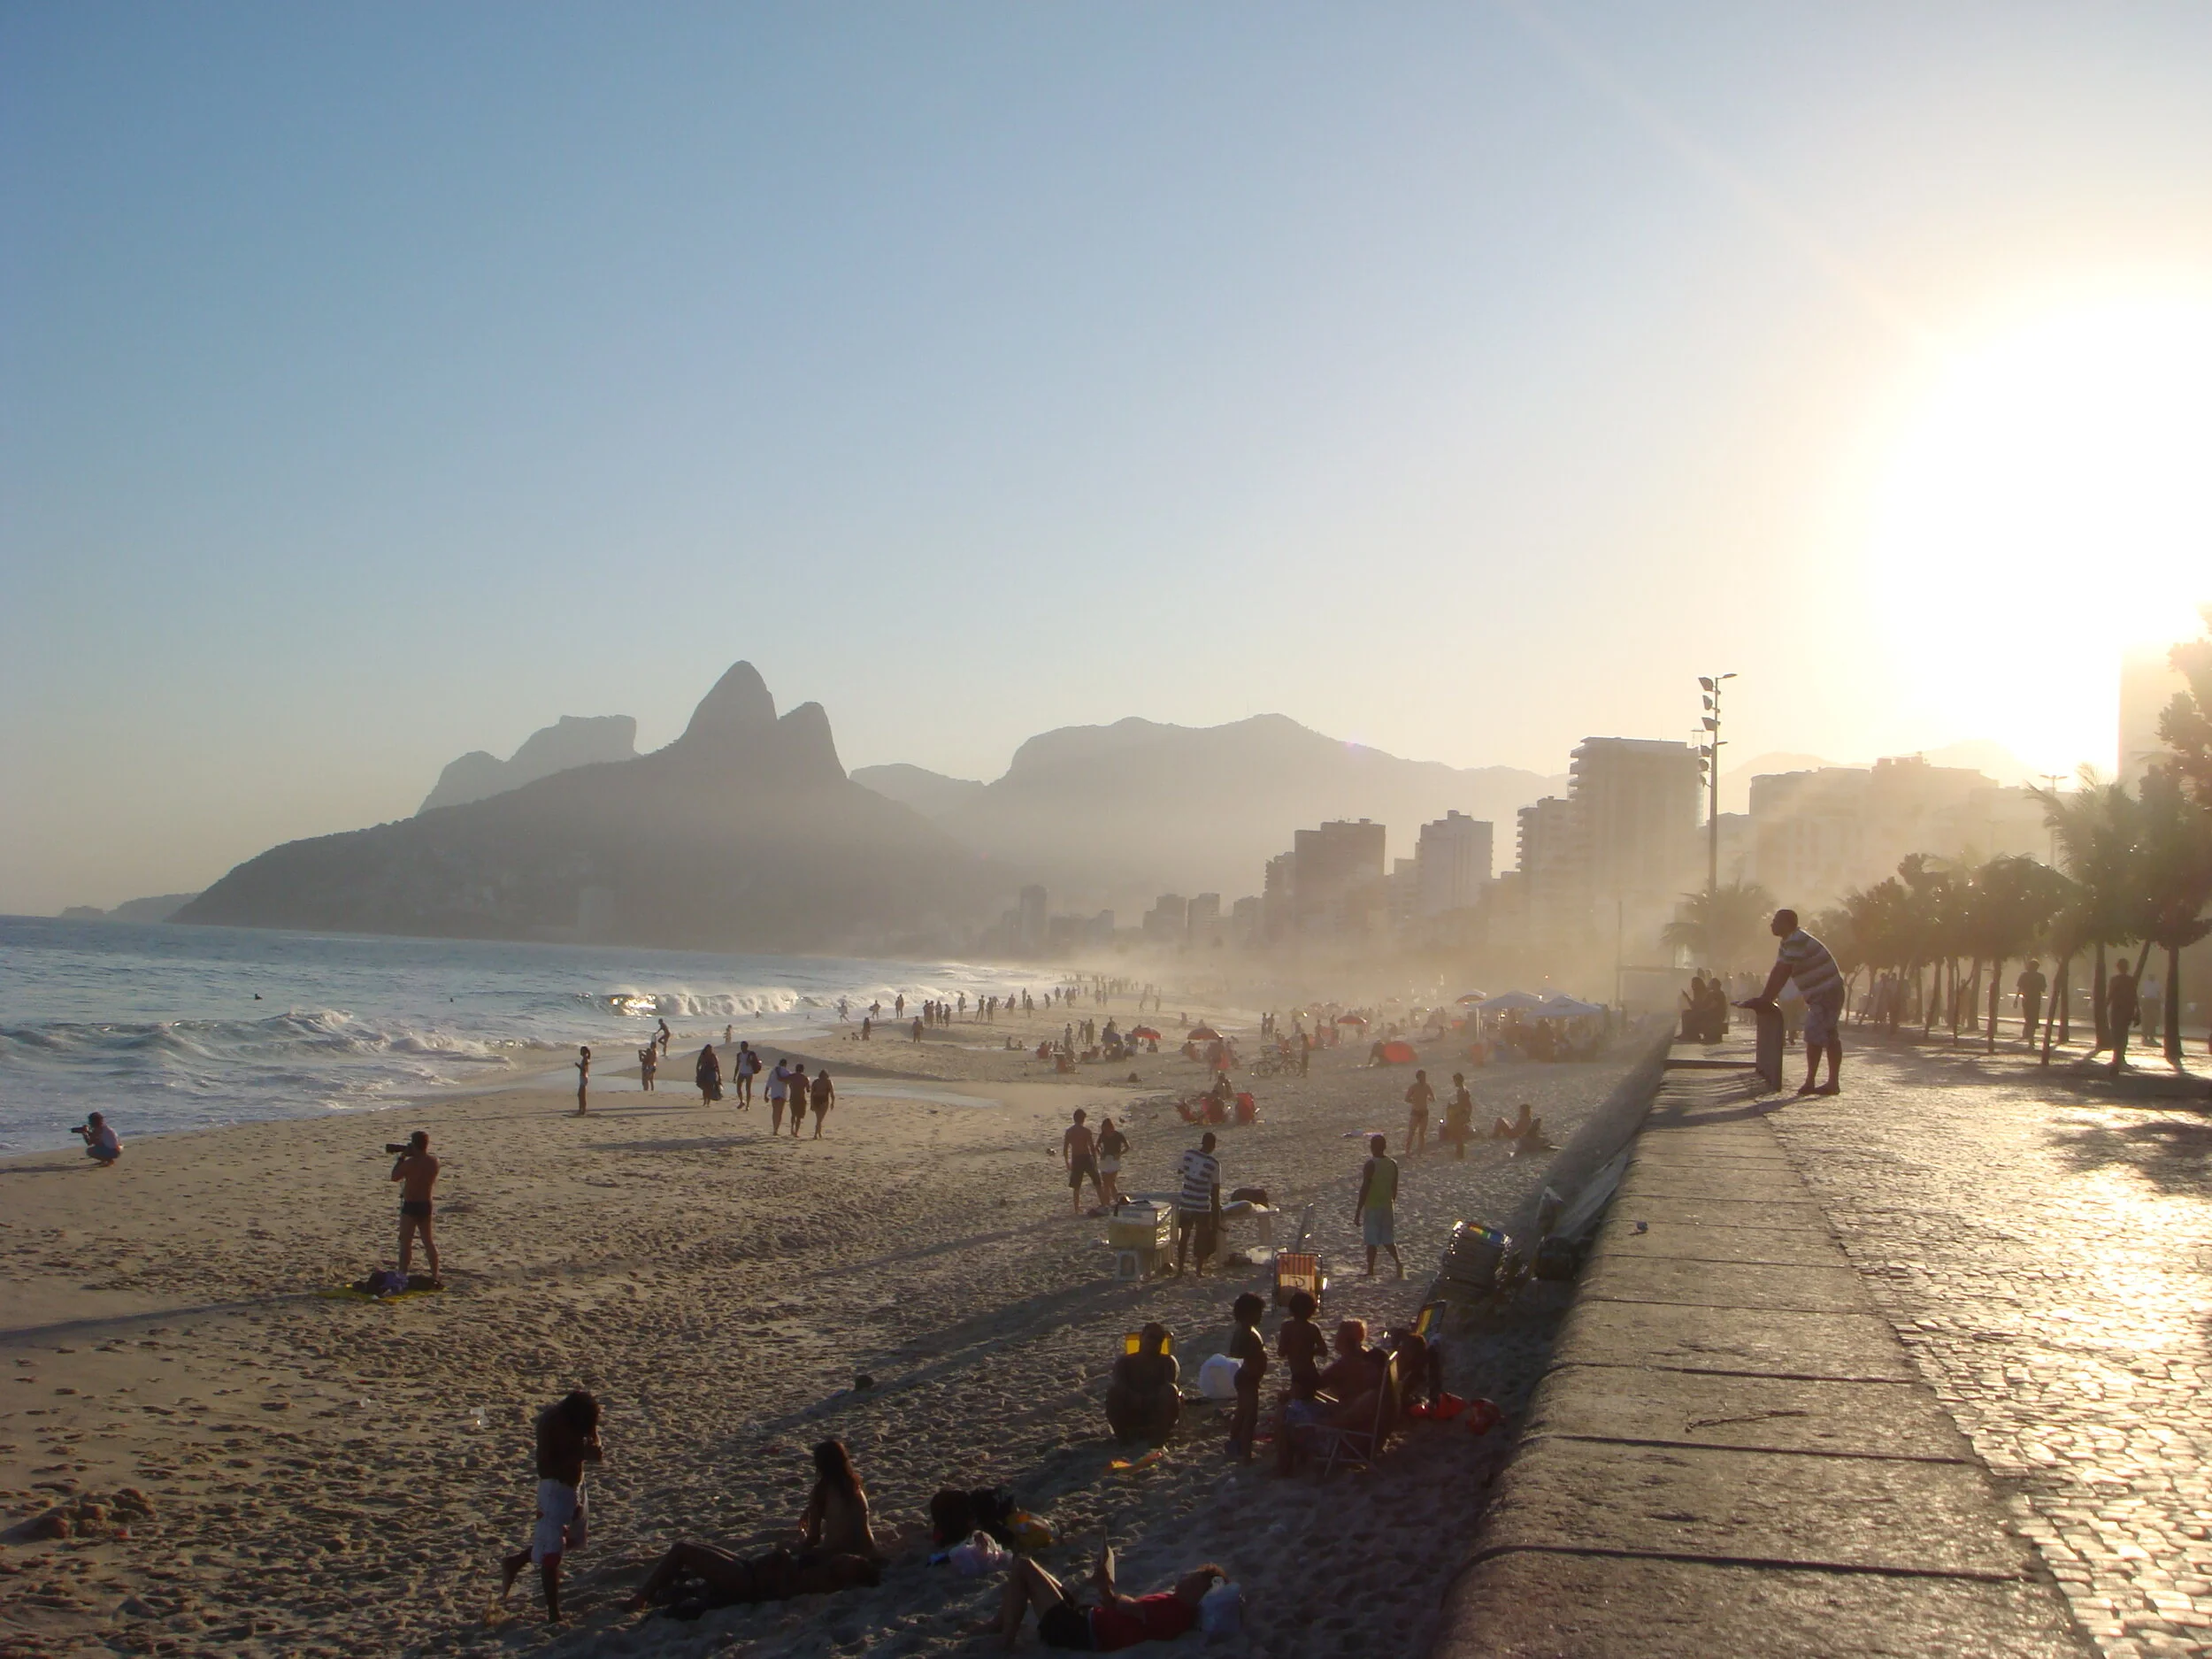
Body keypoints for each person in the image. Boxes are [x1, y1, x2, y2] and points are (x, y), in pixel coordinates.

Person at [990, 1543, 1223, 1652]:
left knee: (1023, 1565)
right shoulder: (1177, 1607)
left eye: (1192, 1582)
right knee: (1041, 1576)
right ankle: (998, 1624)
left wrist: (1106, 1591)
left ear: (1198, 1597)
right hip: (1086, 1619)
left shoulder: (1177, 1610)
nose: (1184, 1580)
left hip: (1078, 1630)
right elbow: (1135, 1614)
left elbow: (1131, 1610)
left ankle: (1005, 1639)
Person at [500, 1389, 603, 1624]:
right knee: (551, 1554)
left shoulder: (582, 1420)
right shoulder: (551, 1424)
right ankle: (553, 1613)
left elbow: (593, 1439)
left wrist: (593, 1446)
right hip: (554, 1491)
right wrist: (580, 1454)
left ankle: (515, 1562)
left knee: (564, 1541)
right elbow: (545, 1469)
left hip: (576, 1487)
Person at [1741, 909, 1845, 1096]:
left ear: (1787, 924)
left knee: (1815, 1034)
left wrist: (1766, 999)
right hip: (1822, 992)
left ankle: (1813, 1082)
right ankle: (1828, 1083)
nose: (1771, 924)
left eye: (1775, 921)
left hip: (1826, 991)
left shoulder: (1796, 940)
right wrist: (1766, 997)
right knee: (1829, 1035)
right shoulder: (1788, 942)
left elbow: (1783, 971)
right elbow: (1778, 971)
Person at [1105, 1322, 1180, 1442]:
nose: (1153, 1341)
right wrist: (1135, 1398)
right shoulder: (1125, 1362)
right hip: (1131, 1409)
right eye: (1150, 1337)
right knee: (1114, 1391)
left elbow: (1171, 1385)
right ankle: (1124, 1437)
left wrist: (1150, 1398)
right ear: (1141, 1338)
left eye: (1158, 1339)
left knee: (1170, 1390)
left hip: (1158, 1409)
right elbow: (1119, 1385)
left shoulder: (1167, 1361)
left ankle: (1160, 1434)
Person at [389, 1130, 441, 1284]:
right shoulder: (433, 1162)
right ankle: (435, 1275)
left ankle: (402, 1274)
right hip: (425, 1204)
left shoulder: (409, 1163)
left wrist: (402, 1157)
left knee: (406, 1242)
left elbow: (394, 1176)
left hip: (411, 1205)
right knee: (428, 1242)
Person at [1354, 1133, 1402, 1279]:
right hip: (1387, 1205)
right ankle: (1398, 1263)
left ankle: (1370, 1269)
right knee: (1388, 1239)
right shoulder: (1392, 1164)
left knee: (1371, 1240)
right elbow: (1394, 1188)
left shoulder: (1371, 1165)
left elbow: (1365, 1188)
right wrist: (1391, 1201)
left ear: (1372, 1147)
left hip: (1373, 1205)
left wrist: (1358, 1210)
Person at [1227, 1291, 1268, 1463]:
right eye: (1258, 1313)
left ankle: (1234, 1443)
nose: (1260, 1316)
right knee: (1250, 1417)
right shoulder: (1243, 1331)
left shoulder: (1248, 1330)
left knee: (1242, 1412)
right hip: (1247, 1378)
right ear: (1247, 1314)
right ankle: (1245, 1453)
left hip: (1249, 1378)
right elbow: (1234, 1351)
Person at [1173, 1132, 1221, 1277]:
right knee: (1201, 1238)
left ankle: (1180, 1270)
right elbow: (1215, 1191)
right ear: (1213, 1146)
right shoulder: (1214, 1164)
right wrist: (1216, 1213)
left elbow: (1179, 1170)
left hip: (1187, 1202)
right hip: (1201, 1205)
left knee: (1184, 1237)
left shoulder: (1188, 1154)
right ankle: (1198, 1271)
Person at [1064, 1109, 1102, 1214]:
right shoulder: (1086, 1131)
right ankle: (1103, 1203)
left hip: (1076, 1158)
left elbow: (1065, 1148)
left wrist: (1067, 1162)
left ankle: (1077, 1208)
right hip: (1086, 1157)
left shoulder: (1069, 1131)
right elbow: (1091, 1147)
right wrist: (1094, 1160)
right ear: (1083, 1119)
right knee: (1097, 1181)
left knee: (1076, 1186)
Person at [2107, 960, 2139, 1073]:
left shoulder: (2114, 980)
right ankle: (2120, 1056)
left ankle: (2117, 1056)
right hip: (2127, 1010)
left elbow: (2110, 994)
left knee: (2116, 1033)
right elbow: (2135, 996)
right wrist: (2137, 1011)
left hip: (2117, 1009)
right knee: (2124, 1033)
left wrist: (2106, 1006)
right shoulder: (2131, 981)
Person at [1095, 1116, 1128, 1208]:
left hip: (1114, 1160)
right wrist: (1100, 1153)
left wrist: (1120, 1154)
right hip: (1105, 1159)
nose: (1105, 1130)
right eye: (1104, 1128)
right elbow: (1097, 1146)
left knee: (1111, 1182)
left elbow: (1127, 1147)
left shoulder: (1118, 1135)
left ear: (1111, 1127)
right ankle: (1108, 1203)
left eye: (1106, 1127)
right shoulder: (1102, 1135)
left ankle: (1115, 1200)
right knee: (1106, 1183)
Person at [1403, 1069, 1434, 1156]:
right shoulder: (1413, 1087)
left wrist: (1429, 1099)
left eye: (1424, 1077)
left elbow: (1433, 1097)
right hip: (1415, 1112)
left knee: (1422, 1133)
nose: (1424, 1079)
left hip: (1424, 1112)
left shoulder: (1427, 1087)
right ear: (1418, 1078)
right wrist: (1414, 1101)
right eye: (1422, 1077)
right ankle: (1407, 1151)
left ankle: (1420, 1152)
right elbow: (1406, 1099)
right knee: (1411, 1133)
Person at [1442, 1073, 1474, 1160]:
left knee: (1458, 1134)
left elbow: (1461, 1105)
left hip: (1461, 1114)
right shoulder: (1465, 1089)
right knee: (1459, 1134)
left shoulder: (1460, 1091)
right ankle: (1459, 1153)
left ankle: (1459, 1154)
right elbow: (1467, 1103)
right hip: (1465, 1113)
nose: (1454, 1083)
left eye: (1455, 1081)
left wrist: (1454, 1109)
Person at [2016, 960, 2047, 1042]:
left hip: (2027, 999)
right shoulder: (2040, 976)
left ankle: (2029, 1035)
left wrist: (2016, 999)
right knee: (2034, 1018)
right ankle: (2031, 1036)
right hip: (2036, 999)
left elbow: (2019, 988)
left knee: (2028, 1017)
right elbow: (2043, 989)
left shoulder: (2024, 975)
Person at [809, 1066, 835, 1138]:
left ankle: (819, 1133)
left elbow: (812, 1094)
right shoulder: (828, 1082)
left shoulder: (816, 1082)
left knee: (819, 1118)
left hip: (816, 1099)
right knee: (820, 1119)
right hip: (824, 1100)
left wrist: (811, 1103)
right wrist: (833, 1103)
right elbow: (832, 1093)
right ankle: (815, 1134)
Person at [766, 1059, 791, 1133]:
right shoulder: (786, 1072)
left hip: (774, 1094)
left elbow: (768, 1084)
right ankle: (776, 1129)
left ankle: (774, 1128)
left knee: (774, 1112)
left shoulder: (773, 1071)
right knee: (779, 1112)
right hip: (782, 1094)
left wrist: (765, 1094)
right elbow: (789, 1082)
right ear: (785, 1064)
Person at [695, 1043, 722, 1108]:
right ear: (706, 1050)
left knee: (710, 1088)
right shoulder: (702, 1056)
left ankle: (708, 1102)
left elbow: (717, 1066)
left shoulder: (714, 1056)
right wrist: (698, 1074)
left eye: (711, 1049)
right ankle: (705, 1101)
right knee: (704, 1088)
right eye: (709, 1049)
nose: (710, 1050)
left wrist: (719, 1076)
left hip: (711, 1072)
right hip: (703, 1072)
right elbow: (698, 1065)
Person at [786, 1064, 809, 1137]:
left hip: (793, 1097)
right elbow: (808, 1090)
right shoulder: (805, 1078)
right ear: (802, 1070)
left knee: (793, 1114)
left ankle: (792, 1129)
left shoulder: (791, 1076)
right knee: (799, 1116)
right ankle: (796, 1132)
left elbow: (784, 1081)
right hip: (801, 1098)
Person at [733, 1041, 757, 1108]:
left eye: (743, 1046)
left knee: (748, 1089)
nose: (742, 1048)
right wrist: (734, 1076)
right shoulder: (739, 1055)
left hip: (749, 1073)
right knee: (738, 1088)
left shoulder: (750, 1054)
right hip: (741, 1073)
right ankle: (741, 1101)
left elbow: (754, 1062)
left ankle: (748, 1105)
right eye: (741, 1046)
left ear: (746, 1047)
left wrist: (750, 1061)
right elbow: (737, 1065)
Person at [573, 1046, 591, 1114]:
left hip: (584, 1078)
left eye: (582, 1051)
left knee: (582, 1096)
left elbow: (584, 1069)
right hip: (583, 1078)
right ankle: (581, 1109)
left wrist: (578, 1066)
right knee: (580, 1095)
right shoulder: (585, 1058)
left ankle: (582, 1110)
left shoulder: (585, 1059)